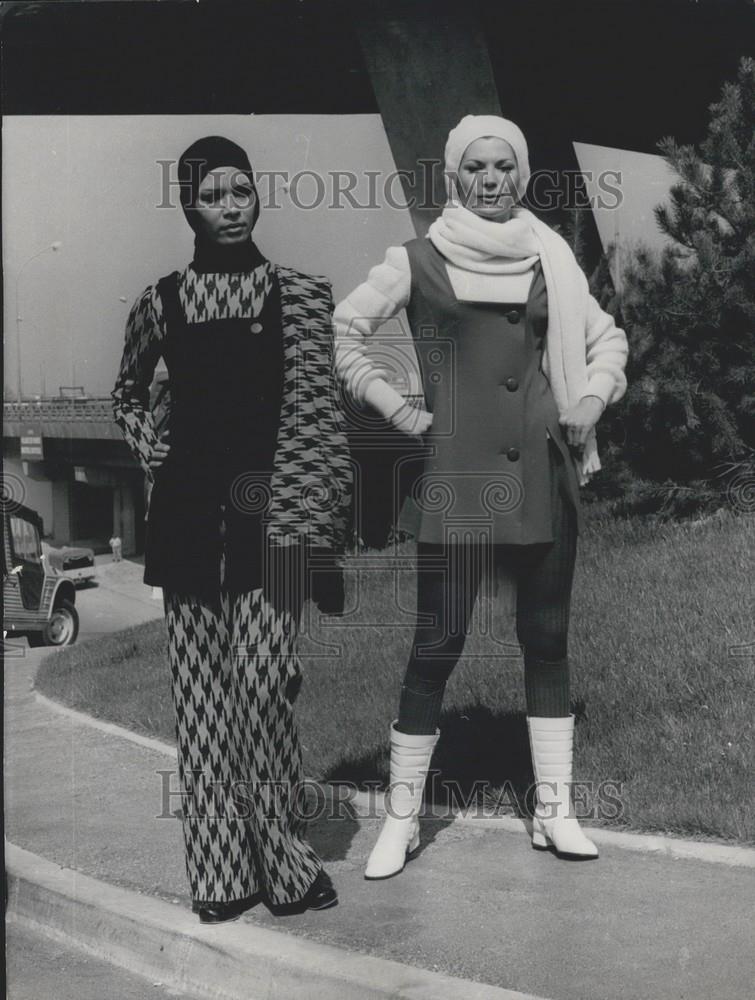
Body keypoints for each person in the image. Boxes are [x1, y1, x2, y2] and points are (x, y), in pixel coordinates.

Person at [334, 115, 628, 879]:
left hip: (541, 470)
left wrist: (591, 399)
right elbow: (345, 332)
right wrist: (397, 409)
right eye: (477, 168)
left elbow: (607, 340)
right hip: (459, 480)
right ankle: (399, 822)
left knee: (546, 637)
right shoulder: (417, 259)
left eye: (504, 167)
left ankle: (554, 810)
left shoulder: (549, 257)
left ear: (520, 173)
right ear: (455, 178)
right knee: (437, 643)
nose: (492, 180)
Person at [113, 135, 352, 921]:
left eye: (240, 191)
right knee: (202, 703)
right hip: (186, 526)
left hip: (271, 526)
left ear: (258, 197)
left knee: (262, 686)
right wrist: (159, 456)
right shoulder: (161, 301)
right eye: (211, 195)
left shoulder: (298, 295)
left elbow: (321, 420)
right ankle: (220, 877)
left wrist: (321, 536)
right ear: (188, 204)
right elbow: (125, 394)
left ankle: (286, 867)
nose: (228, 206)